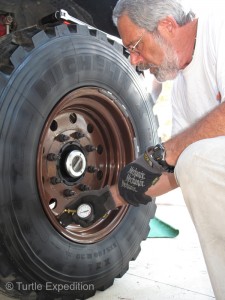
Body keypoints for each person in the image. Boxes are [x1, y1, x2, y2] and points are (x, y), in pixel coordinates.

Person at [60, 1, 225, 298]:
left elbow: (181, 157)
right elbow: (177, 171)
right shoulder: (184, 94)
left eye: (136, 46)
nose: (134, 60)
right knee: (193, 165)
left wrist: (167, 153)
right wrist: (109, 199)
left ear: (167, 25)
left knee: (196, 163)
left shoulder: (219, 26)